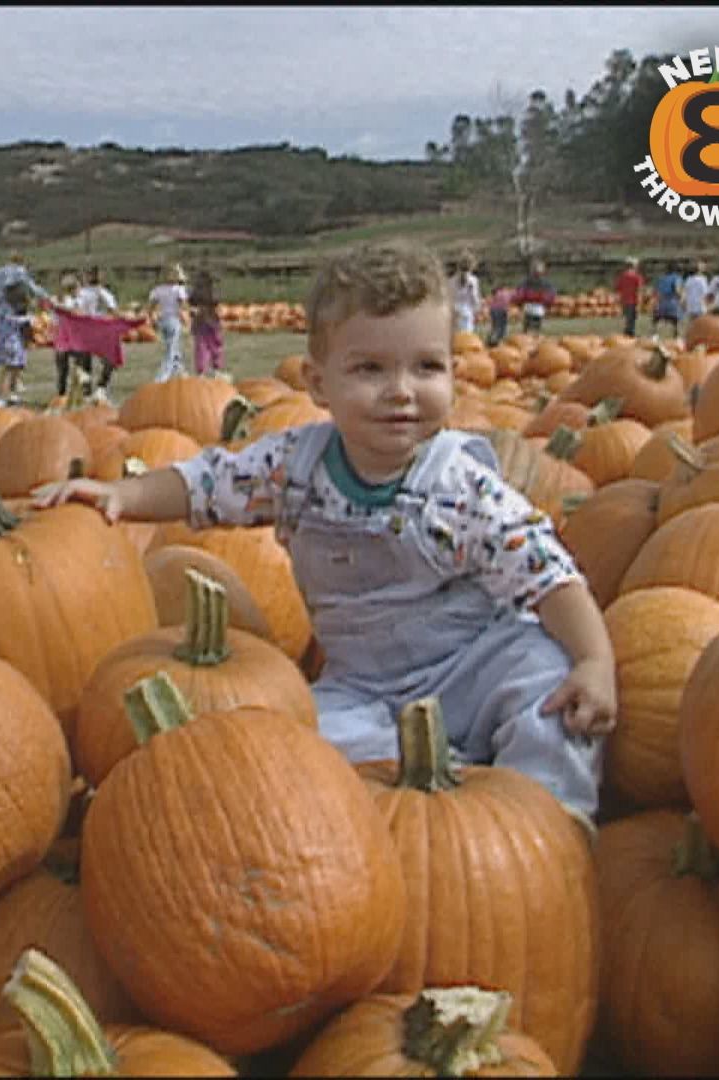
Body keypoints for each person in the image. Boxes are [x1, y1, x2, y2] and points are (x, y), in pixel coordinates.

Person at [32, 240, 616, 829]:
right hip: (364, 688)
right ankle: (424, 796)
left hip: (474, 664)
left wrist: (593, 660)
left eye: (427, 367)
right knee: (293, 750)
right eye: (370, 369)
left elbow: (548, 575)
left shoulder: (463, 486)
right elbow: (206, 484)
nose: (401, 390)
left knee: (545, 680)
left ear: (454, 375)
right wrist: (123, 495)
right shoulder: (294, 467)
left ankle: (550, 824)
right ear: (317, 383)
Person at [0, 251, 51, 399]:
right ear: (21, 262)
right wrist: (47, 297)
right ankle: (10, 387)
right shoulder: (20, 273)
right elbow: (32, 289)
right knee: (16, 352)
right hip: (14, 312)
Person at [76, 266, 121, 402]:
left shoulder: (81, 293)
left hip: (85, 330)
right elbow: (114, 311)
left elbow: (74, 310)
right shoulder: (103, 293)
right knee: (109, 360)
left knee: (84, 363)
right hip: (99, 329)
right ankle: (99, 388)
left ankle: (88, 392)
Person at [0, 281, 34, 406]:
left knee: (15, 370)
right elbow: (26, 330)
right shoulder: (20, 315)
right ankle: (1, 398)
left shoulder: (2, 310)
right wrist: (28, 341)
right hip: (15, 345)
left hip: (3, 343)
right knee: (9, 371)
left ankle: (13, 395)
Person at [51, 271, 94, 400]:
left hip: (79, 337)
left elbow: (87, 316)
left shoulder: (84, 298)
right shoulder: (60, 300)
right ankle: (62, 394)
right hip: (64, 338)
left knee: (83, 366)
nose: (76, 290)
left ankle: (85, 393)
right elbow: (59, 316)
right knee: (63, 368)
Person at [145, 264, 190, 382]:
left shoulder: (157, 290)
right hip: (174, 321)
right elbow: (183, 306)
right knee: (172, 349)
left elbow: (150, 308)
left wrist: (152, 319)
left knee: (173, 346)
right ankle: (161, 377)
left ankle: (180, 372)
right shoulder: (179, 290)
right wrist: (186, 319)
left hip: (162, 321)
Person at [188, 268, 225, 375]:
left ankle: (202, 371)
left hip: (201, 322)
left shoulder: (195, 295)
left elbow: (191, 305)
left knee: (202, 346)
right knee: (214, 345)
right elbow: (217, 301)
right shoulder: (212, 293)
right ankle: (215, 369)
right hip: (211, 321)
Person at [516, 260, 556, 335]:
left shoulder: (528, 281)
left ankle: (530, 337)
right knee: (531, 325)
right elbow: (551, 295)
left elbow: (520, 292)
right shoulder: (529, 281)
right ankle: (530, 337)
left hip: (536, 306)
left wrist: (520, 303)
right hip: (533, 306)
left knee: (532, 326)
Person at [450, 252, 482, 336]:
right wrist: (478, 311)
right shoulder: (473, 280)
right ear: (472, 266)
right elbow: (474, 299)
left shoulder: (451, 281)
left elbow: (449, 299)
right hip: (467, 314)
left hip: (454, 313)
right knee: (466, 340)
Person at [651, 263, 684, 339]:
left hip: (661, 302)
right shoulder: (677, 278)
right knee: (676, 322)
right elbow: (677, 290)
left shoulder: (661, 278)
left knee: (657, 321)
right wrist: (681, 298)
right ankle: (677, 339)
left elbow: (656, 291)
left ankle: (654, 337)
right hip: (672, 301)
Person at [614, 258, 645, 337]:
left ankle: (628, 333)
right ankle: (629, 334)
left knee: (628, 319)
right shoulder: (637, 277)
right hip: (633, 301)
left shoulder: (622, 276)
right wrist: (639, 303)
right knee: (631, 320)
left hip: (624, 301)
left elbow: (617, 288)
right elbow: (639, 290)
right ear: (634, 266)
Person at [485, 281, 515, 347]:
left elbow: (490, 301)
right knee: (502, 328)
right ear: (504, 287)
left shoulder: (496, 292)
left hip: (493, 310)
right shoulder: (507, 293)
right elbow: (514, 296)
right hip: (502, 311)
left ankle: (490, 341)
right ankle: (496, 342)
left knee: (495, 326)